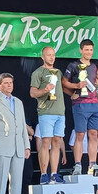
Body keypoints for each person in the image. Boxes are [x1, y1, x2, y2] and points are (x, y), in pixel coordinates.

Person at [62, 39, 98, 175]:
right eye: (86, 50)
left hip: (94, 104)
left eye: (91, 50)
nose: (89, 52)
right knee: (80, 135)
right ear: (81, 50)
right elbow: (64, 83)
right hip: (80, 105)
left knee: (94, 134)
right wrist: (74, 89)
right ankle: (78, 165)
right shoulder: (73, 65)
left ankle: (93, 164)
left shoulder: (94, 67)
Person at [30, 46, 66, 184]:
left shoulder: (58, 72)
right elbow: (33, 93)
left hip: (60, 113)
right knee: (46, 142)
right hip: (46, 113)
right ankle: (44, 173)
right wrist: (45, 90)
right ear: (42, 57)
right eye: (48, 55)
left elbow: (63, 87)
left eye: (53, 55)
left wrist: (74, 94)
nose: (51, 57)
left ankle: (54, 174)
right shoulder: (38, 73)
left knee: (57, 142)